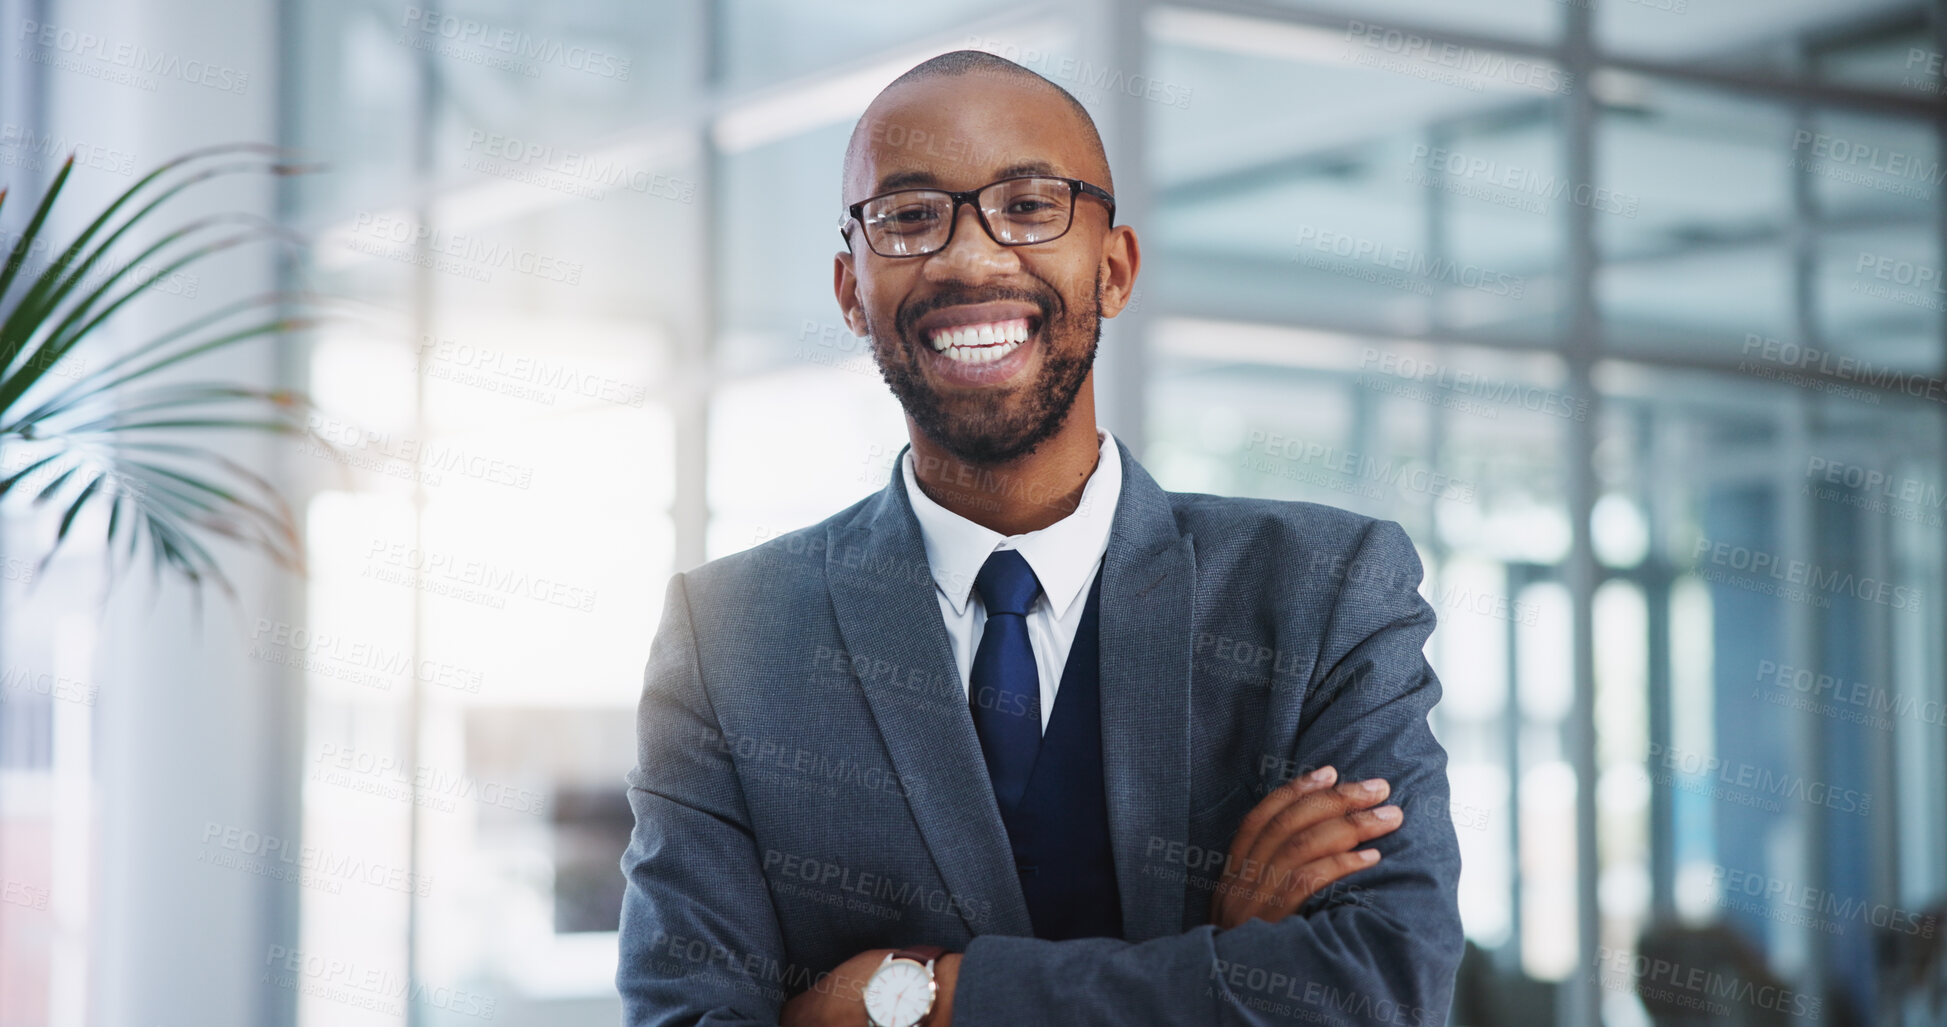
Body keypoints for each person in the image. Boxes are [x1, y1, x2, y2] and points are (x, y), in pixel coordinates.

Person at [617, 49, 1462, 1027]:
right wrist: (1221, 963)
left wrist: (915, 1000)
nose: (972, 258)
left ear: (1113, 269)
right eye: (910, 217)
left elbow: (1375, 994)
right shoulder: (729, 637)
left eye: (1028, 206)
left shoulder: (1325, 591)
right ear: (852, 291)